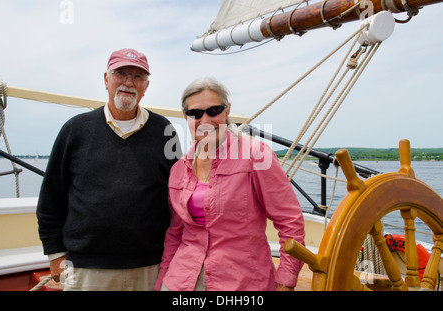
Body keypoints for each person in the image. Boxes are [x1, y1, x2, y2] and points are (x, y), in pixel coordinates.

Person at [36, 48, 181, 291]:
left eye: (137, 77)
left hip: (149, 265)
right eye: (120, 73)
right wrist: (55, 253)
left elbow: (177, 194)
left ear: (146, 86)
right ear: (106, 79)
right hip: (86, 268)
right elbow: (52, 196)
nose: (128, 82)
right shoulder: (75, 130)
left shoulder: (164, 131)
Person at [154, 77, 305, 291]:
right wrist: (162, 281)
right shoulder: (179, 168)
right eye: (195, 113)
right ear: (186, 117)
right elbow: (176, 232)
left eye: (214, 111)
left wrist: (286, 279)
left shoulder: (256, 155)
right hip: (181, 281)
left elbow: (290, 221)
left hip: (242, 283)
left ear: (226, 112)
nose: (205, 120)